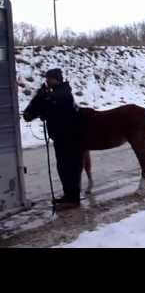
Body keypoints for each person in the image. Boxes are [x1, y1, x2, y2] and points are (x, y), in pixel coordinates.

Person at [43, 68, 84, 209]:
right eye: (47, 78)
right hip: (62, 138)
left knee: (69, 168)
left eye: (49, 78)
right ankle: (69, 196)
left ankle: (73, 199)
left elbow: (57, 113)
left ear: (56, 79)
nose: (47, 81)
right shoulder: (59, 92)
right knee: (64, 168)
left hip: (68, 138)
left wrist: (46, 109)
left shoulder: (62, 94)